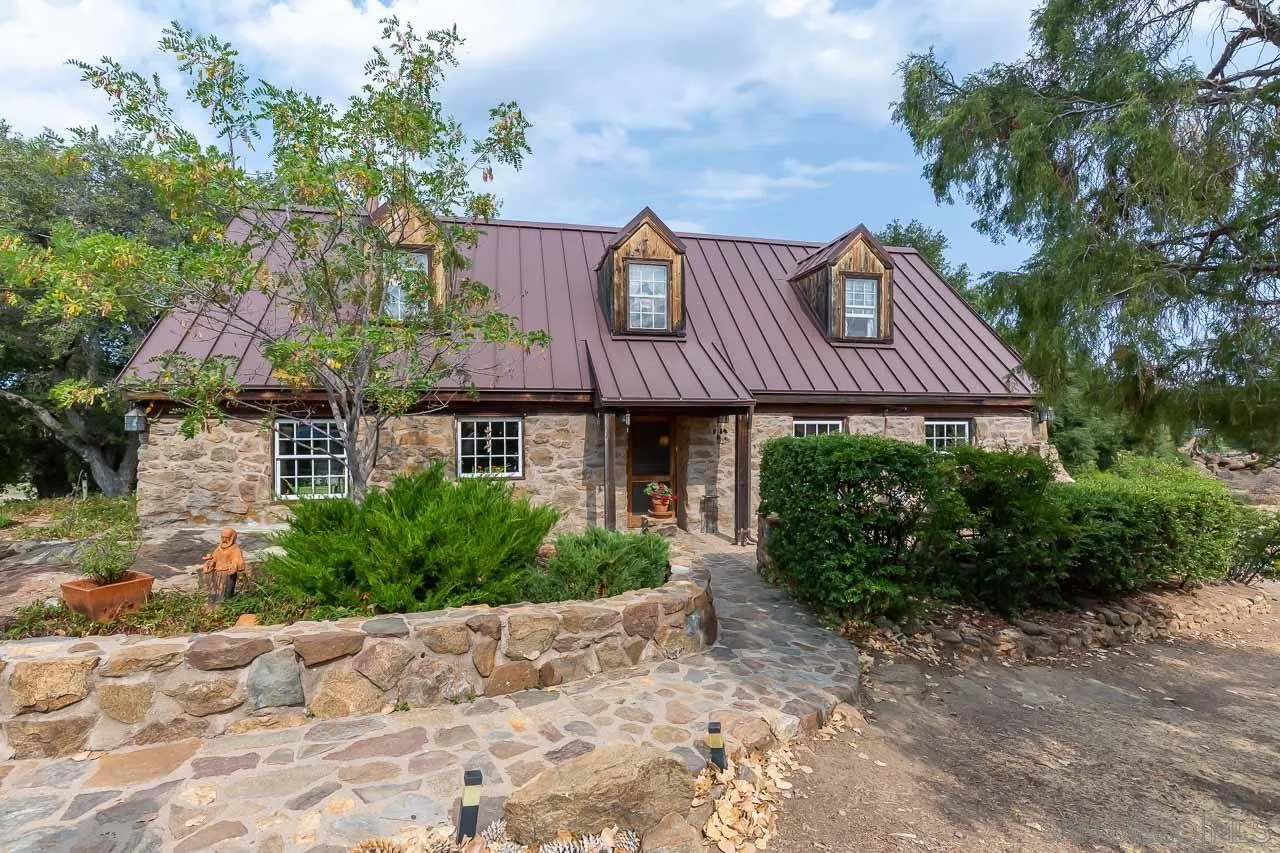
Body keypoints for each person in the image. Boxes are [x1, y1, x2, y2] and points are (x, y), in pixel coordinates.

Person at [201, 527, 246, 605]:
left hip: (228, 574)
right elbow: (214, 558)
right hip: (217, 573)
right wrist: (211, 561)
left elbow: (239, 561)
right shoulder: (219, 548)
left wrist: (234, 564)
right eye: (223, 537)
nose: (224, 539)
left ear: (232, 537)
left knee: (226, 591)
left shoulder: (235, 549)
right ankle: (213, 605)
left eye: (227, 537)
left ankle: (225, 606)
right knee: (215, 590)